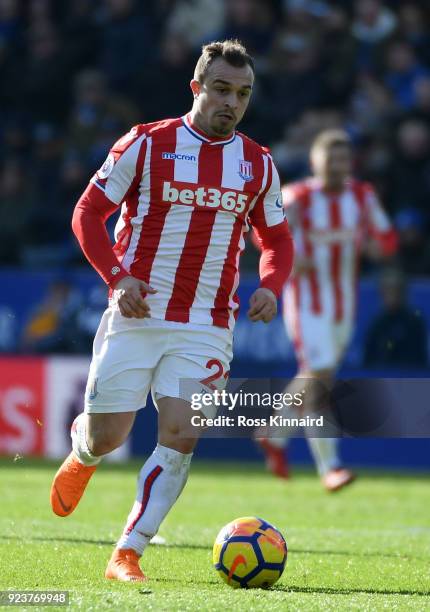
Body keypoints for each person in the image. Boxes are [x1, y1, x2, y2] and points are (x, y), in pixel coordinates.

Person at [50, 40, 293, 582]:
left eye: (244, 93)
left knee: (182, 434)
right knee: (108, 437)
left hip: (206, 325)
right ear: (197, 88)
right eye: (223, 90)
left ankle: (128, 550)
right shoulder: (147, 143)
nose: (233, 102)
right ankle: (82, 452)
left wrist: (271, 284)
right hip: (137, 313)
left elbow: (276, 238)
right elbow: (88, 213)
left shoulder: (258, 163)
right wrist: (117, 278)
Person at [256, 129, 397, 491]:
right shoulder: (298, 197)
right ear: (315, 162)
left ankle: (276, 432)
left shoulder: (362, 197)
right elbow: (259, 232)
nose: (336, 166)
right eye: (329, 159)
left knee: (320, 379)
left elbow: (387, 238)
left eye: (342, 159)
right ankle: (329, 467)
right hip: (306, 302)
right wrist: (292, 258)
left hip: (343, 305)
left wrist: (377, 248)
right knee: (318, 375)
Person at [364, 267, 428, 369]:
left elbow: (417, 361)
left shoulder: (414, 323)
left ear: (403, 292)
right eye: (387, 290)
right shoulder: (377, 324)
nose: (391, 295)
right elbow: (368, 361)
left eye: (395, 289)